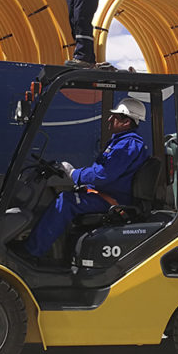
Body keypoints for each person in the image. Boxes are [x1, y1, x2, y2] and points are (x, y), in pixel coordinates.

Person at [23, 97, 149, 258]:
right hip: (106, 194)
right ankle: (60, 253)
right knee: (66, 196)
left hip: (113, 199)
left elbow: (102, 174)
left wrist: (73, 173)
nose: (109, 119)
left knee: (66, 202)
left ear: (126, 122)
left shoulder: (127, 145)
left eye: (115, 116)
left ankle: (31, 253)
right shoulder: (122, 142)